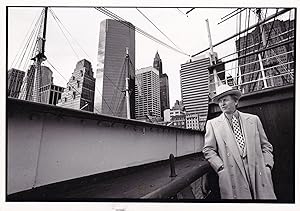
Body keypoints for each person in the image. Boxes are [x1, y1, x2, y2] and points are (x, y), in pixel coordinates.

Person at [203, 84, 276, 200]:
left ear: (235, 102)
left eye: (225, 100)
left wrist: (267, 166)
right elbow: (208, 150)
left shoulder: (253, 120)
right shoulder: (213, 124)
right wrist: (221, 168)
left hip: (258, 173)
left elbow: (266, 146)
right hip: (232, 175)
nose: (222, 104)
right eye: (220, 101)